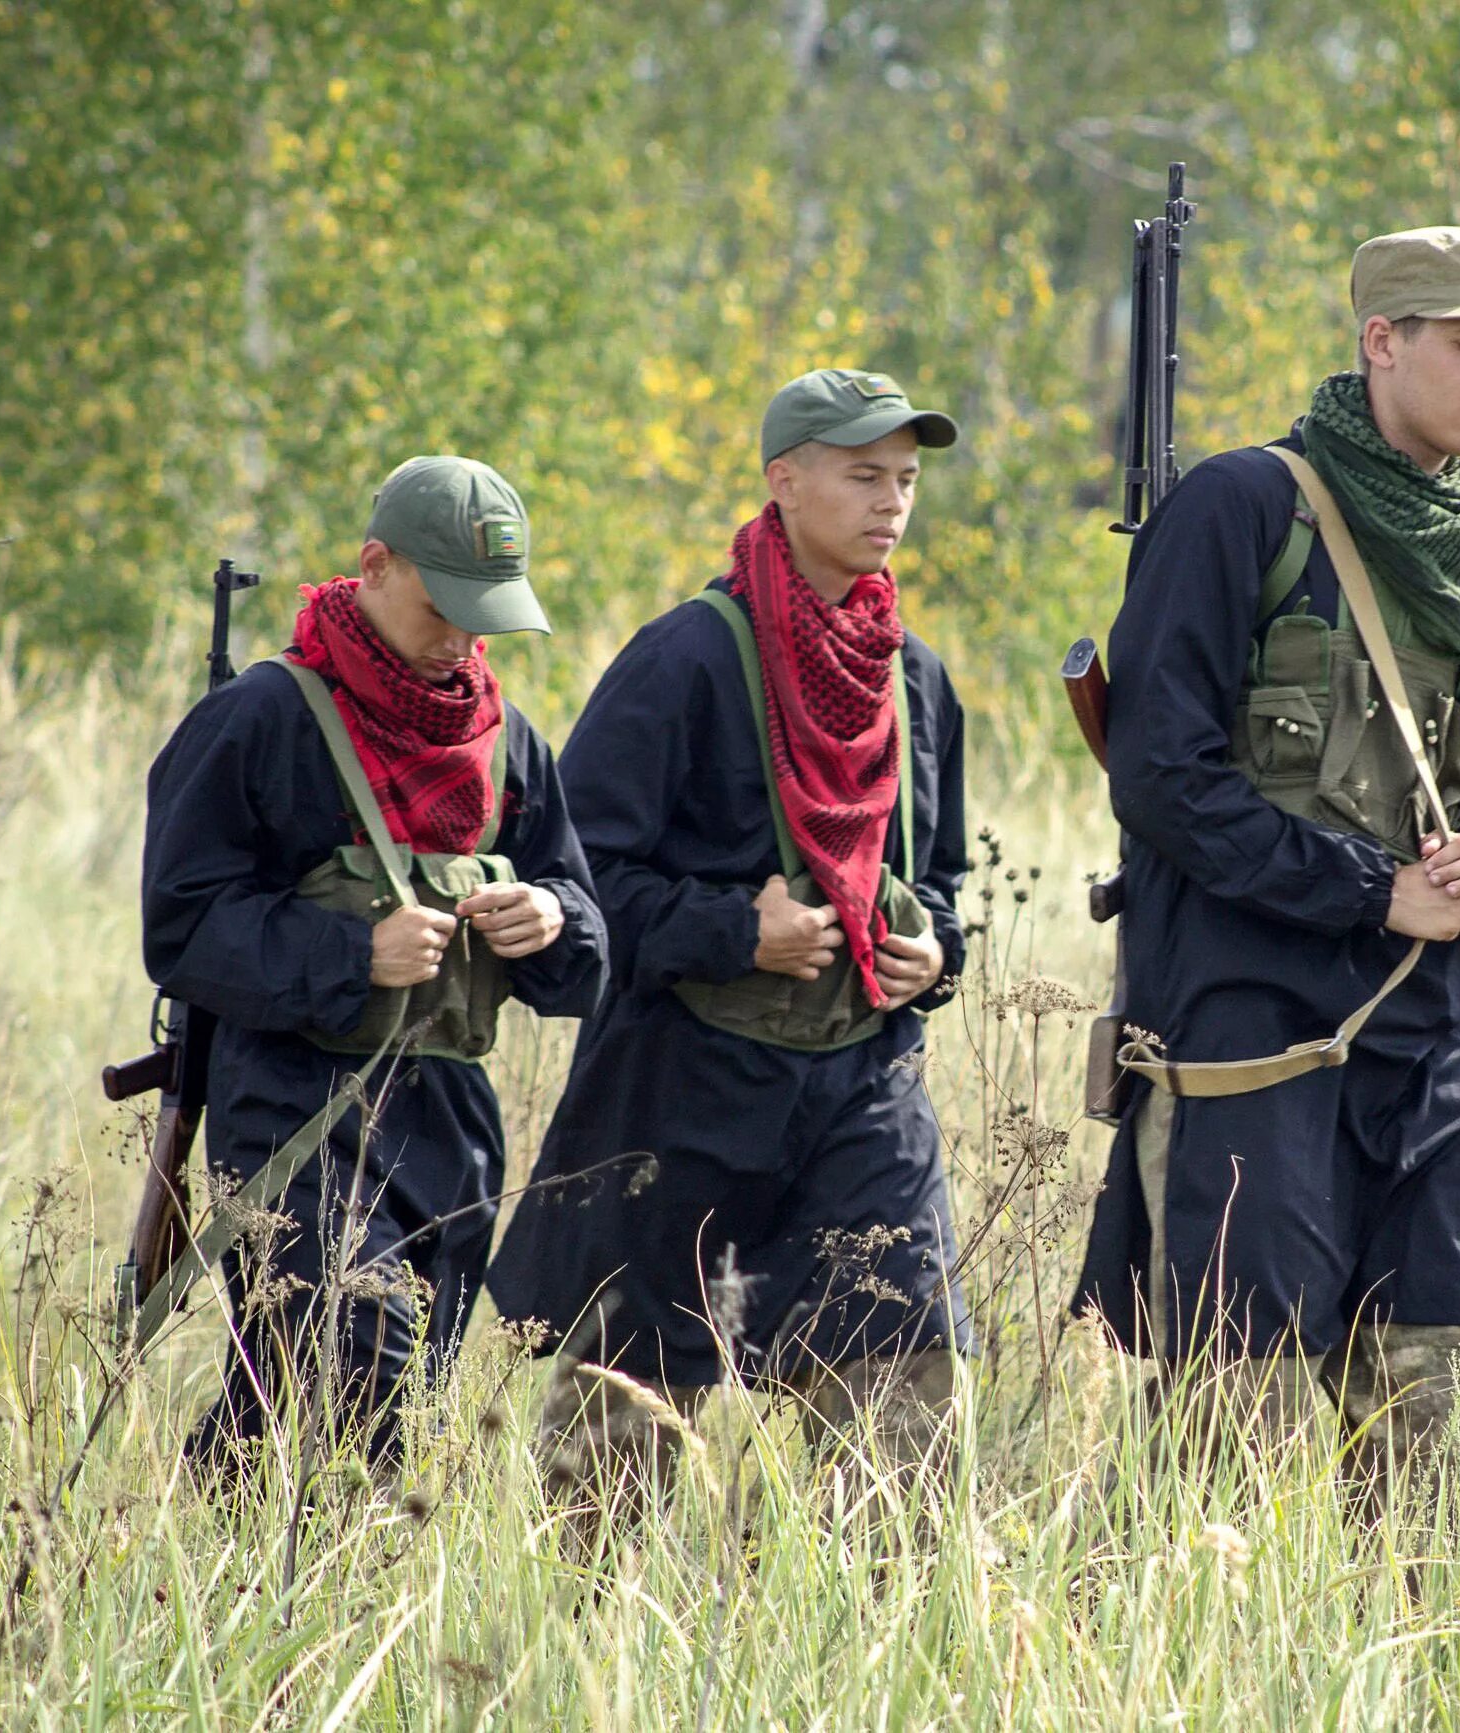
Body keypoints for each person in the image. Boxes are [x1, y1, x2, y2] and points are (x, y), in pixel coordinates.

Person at [1066, 227, 1460, 1515]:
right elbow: (1160, 774)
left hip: (1438, 1060)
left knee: (1459, 1442)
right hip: (1253, 1040)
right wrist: (1365, 888)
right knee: (1235, 1449)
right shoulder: (1241, 507)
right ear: (1380, 341)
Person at [489, 370, 973, 1519]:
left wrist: (934, 952)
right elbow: (583, 880)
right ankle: (601, 1669)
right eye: (863, 475)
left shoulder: (916, 677)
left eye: (905, 478)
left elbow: (943, 877)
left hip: (863, 1087)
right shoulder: (685, 658)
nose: (891, 501)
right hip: (683, 1088)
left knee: (903, 1379)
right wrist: (731, 929)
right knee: (625, 1424)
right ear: (784, 479)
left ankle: (868, 1662)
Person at [142, 455, 608, 1475]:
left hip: (451, 1120)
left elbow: (583, 949)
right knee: (359, 1378)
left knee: (366, 1401)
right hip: (293, 1103)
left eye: (485, 613)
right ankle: (293, 1594)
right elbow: (180, 927)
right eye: (445, 604)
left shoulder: (505, 742)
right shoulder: (260, 717)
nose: (462, 636)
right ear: (375, 565)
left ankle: (223, 1580)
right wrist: (356, 951)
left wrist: (552, 919)